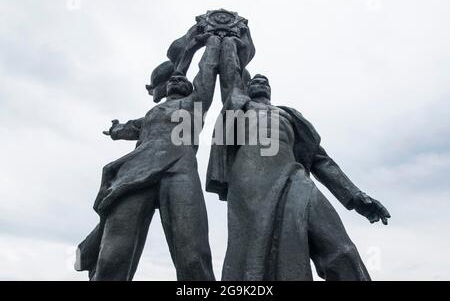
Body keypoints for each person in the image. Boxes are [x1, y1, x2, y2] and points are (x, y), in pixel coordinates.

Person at [206, 73, 391, 281]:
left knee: (341, 249)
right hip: (250, 179)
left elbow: (321, 160)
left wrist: (356, 197)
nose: (260, 83)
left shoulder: (289, 116)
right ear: (247, 89)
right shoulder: (240, 110)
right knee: (256, 254)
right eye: (254, 82)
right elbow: (230, 69)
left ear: (270, 89)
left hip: (294, 176)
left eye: (264, 82)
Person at [76, 35, 222, 281]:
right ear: (165, 88)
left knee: (193, 254)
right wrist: (115, 130)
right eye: (173, 79)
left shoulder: (196, 104)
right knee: (112, 255)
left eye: (182, 79)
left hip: (179, 170)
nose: (177, 79)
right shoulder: (152, 113)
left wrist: (212, 42)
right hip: (135, 172)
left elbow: (206, 73)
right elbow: (128, 128)